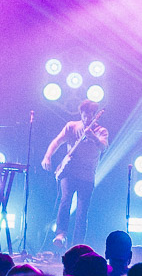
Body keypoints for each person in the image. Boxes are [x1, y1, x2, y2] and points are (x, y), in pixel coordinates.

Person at [41, 100, 109, 248]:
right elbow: (57, 141)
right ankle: (61, 234)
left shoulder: (101, 131)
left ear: (95, 115)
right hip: (69, 172)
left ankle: (78, 244)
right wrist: (48, 156)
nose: (87, 119)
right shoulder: (71, 127)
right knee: (65, 200)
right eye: (85, 116)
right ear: (81, 114)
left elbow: (103, 147)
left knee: (82, 209)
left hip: (87, 175)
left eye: (90, 116)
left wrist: (93, 137)